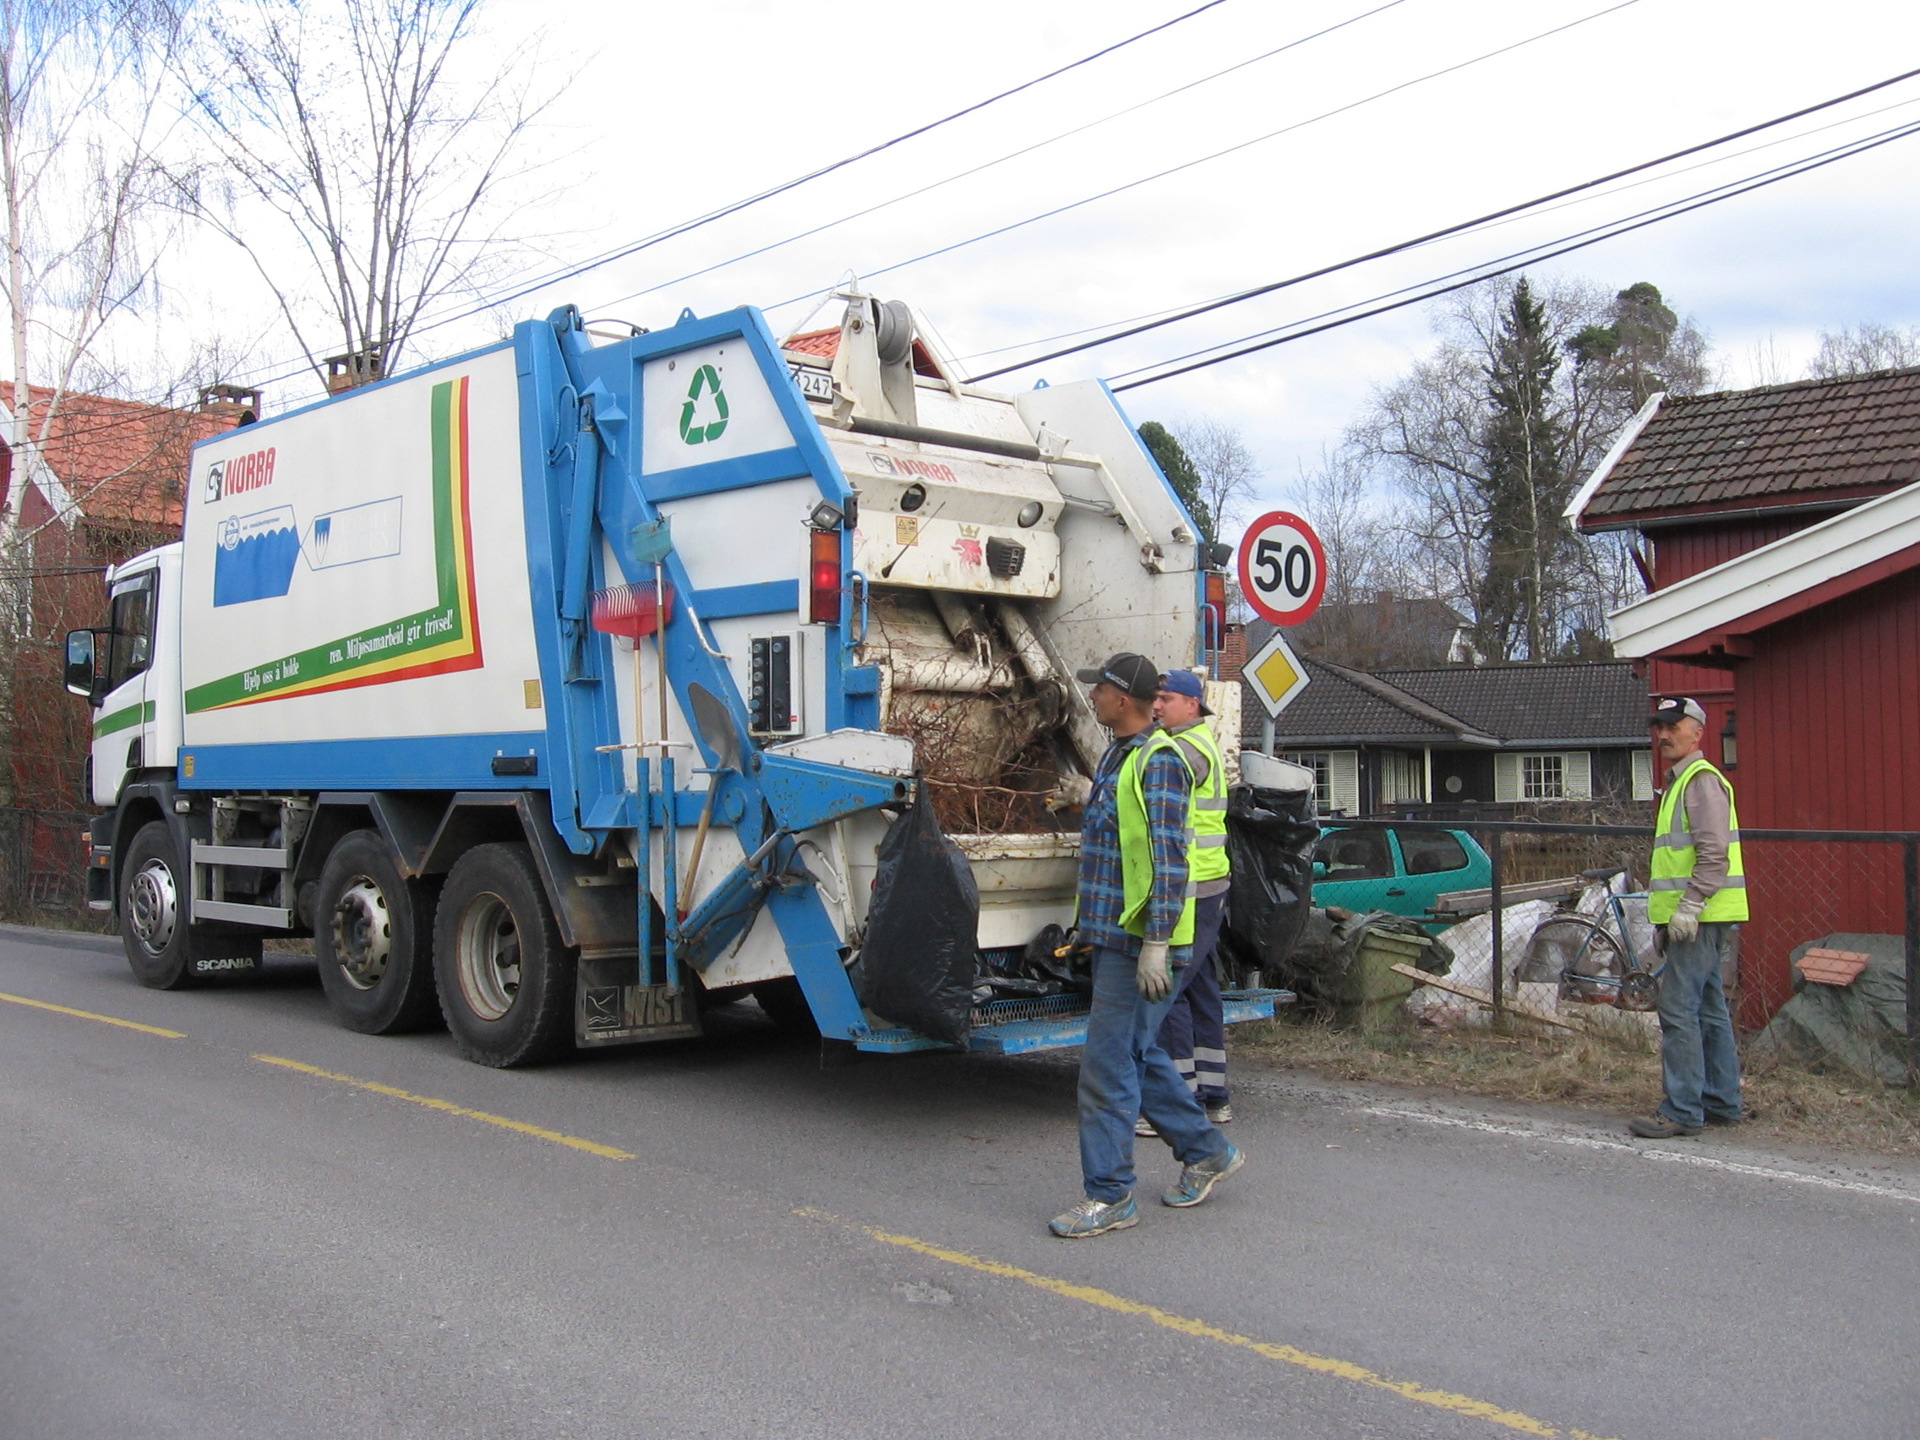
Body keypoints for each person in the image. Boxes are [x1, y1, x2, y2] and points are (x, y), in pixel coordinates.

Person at [1047, 652, 1242, 1238]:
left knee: (1107, 1068)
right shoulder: (1119, 754)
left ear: (1124, 699)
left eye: (1099, 690)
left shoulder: (1159, 762)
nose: (1093, 699)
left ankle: (1110, 1196)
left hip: (1142, 942)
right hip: (1117, 933)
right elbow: (1118, 845)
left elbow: (1168, 856)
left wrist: (1156, 942)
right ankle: (1206, 1151)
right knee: (1139, 1050)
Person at [1630, 696, 1746, 1139]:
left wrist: (1690, 907)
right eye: (1659, 727)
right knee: (1710, 1008)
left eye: (1673, 726)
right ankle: (1720, 1101)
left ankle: (1682, 1109)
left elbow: (1713, 853)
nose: (1663, 735)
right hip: (1699, 915)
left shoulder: (1698, 781)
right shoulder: (1681, 783)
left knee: (1679, 1008)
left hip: (1698, 916)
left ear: (1698, 731)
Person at [1137, 669, 1232, 1135]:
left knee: (1167, 989)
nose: (1157, 706)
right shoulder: (1201, 742)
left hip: (1190, 887)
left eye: (1167, 699)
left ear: (1192, 704)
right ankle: (1214, 1094)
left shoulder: (1180, 751)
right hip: (1210, 883)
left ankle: (1176, 1100)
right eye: (1155, 698)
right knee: (1200, 988)